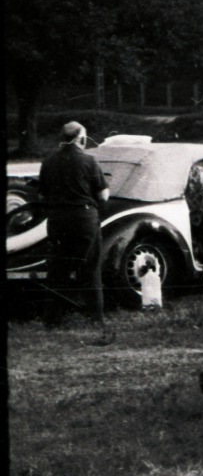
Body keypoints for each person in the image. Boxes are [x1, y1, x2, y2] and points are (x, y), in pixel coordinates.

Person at [38, 121, 108, 324]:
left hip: (58, 219)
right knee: (90, 267)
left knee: (58, 269)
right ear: (81, 139)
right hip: (84, 218)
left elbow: (43, 193)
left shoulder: (48, 161)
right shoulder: (89, 161)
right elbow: (103, 195)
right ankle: (95, 318)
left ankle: (52, 319)